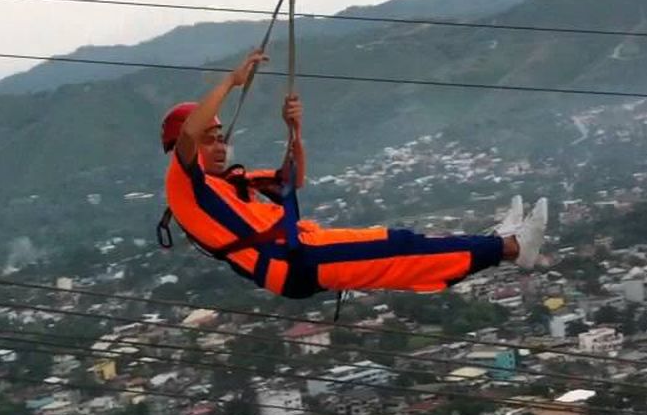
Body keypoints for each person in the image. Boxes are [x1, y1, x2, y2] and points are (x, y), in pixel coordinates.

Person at [161, 48, 545, 299]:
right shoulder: (184, 184)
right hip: (294, 262)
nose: (219, 146)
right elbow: (191, 134)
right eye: (210, 140)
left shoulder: (228, 184)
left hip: (305, 247)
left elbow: (291, 181)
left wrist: (293, 131)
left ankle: (499, 242)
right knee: (403, 256)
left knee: (400, 243)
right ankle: (509, 249)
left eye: (220, 137)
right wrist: (230, 81)